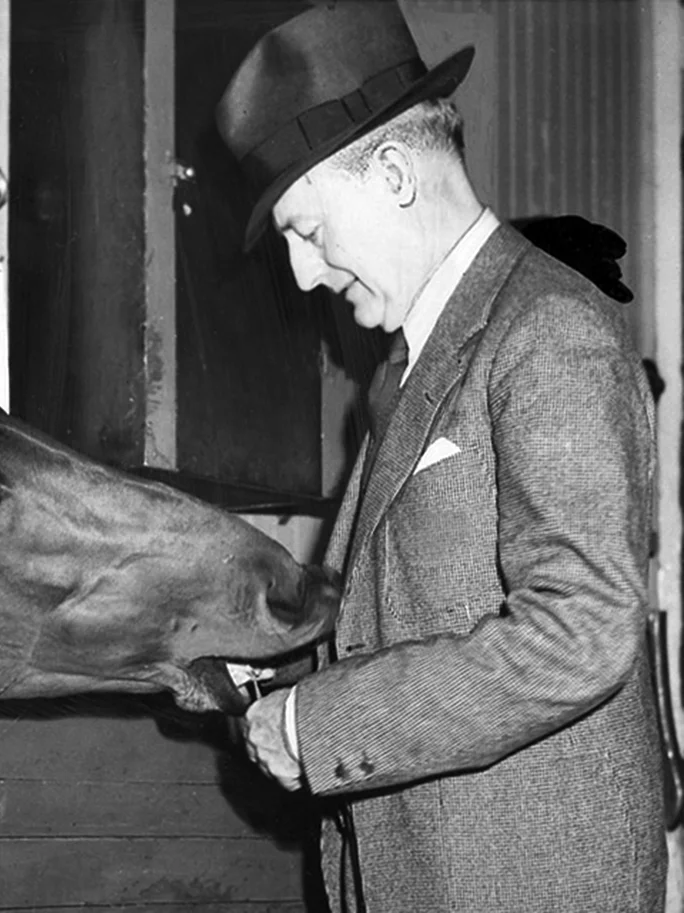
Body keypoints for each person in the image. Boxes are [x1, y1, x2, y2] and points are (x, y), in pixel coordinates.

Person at [215, 3, 666, 911]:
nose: (304, 274)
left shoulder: (549, 328)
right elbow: (397, 617)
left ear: (392, 175)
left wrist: (317, 723)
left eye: (307, 228)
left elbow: (582, 628)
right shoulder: (413, 368)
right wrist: (265, 669)